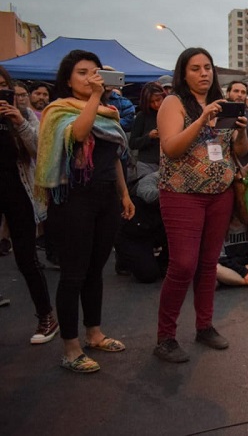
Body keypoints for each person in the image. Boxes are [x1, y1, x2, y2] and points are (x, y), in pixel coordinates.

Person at [36, 51, 135, 373]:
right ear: (67, 79)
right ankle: (70, 346)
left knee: (96, 270)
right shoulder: (59, 111)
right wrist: (94, 96)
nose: (91, 78)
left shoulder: (109, 114)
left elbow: (115, 155)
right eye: (82, 73)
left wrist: (123, 194)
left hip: (106, 196)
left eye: (95, 73)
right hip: (74, 199)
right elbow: (79, 134)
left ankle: (94, 333)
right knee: (74, 273)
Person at [153, 47, 248, 363]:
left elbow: (238, 150)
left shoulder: (220, 103)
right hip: (182, 194)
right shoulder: (174, 102)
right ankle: (165, 337)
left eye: (207, 67)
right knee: (182, 264)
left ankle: (204, 326)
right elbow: (172, 147)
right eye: (195, 68)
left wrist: (242, 132)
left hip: (219, 193)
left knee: (208, 264)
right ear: (183, 73)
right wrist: (203, 119)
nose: (204, 73)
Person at [0, 65, 58, 344]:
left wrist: (19, 123)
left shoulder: (23, 116)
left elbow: (41, 149)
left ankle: (46, 316)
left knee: (26, 258)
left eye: (2, 85)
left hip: (17, 192)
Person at [129, 82, 165, 179]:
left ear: (164, 97)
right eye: (151, 102)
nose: (156, 104)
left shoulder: (172, 113)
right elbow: (132, 143)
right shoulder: (142, 116)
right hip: (147, 164)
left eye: (158, 100)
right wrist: (149, 136)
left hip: (167, 163)